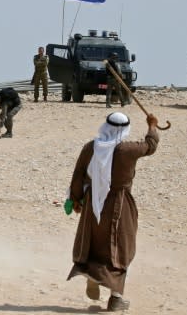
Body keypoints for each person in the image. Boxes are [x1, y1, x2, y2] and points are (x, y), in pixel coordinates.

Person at [66, 112, 159, 311]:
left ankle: (93, 274)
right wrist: (152, 125)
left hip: (93, 203)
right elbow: (151, 145)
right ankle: (116, 298)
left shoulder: (91, 147)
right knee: (120, 247)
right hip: (119, 202)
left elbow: (78, 174)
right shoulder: (128, 149)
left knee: (95, 241)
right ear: (125, 129)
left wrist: (74, 199)